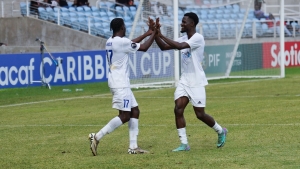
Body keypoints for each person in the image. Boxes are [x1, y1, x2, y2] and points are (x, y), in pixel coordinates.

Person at [154, 12, 227, 152]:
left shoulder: (198, 38)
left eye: (184, 22)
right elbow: (164, 47)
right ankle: (184, 144)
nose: (181, 24)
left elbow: (181, 46)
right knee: (178, 108)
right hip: (184, 80)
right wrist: (156, 33)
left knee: (200, 114)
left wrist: (161, 35)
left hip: (196, 81)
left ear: (192, 24)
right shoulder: (183, 38)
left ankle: (220, 131)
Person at [88, 17, 157, 156]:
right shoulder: (122, 42)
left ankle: (133, 146)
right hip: (120, 84)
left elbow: (130, 44)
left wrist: (147, 33)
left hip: (117, 81)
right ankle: (97, 137)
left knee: (135, 111)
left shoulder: (110, 41)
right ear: (122, 27)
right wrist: (154, 33)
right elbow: (143, 48)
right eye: (124, 26)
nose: (125, 28)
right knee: (125, 116)